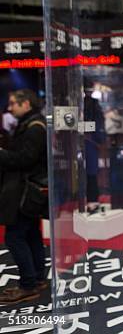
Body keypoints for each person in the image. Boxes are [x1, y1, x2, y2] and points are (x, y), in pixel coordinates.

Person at [0, 89, 48, 305]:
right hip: (29, 190)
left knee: (15, 236)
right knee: (30, 235)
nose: (10, 108)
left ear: (26, 104)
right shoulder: (32, 125)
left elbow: (26, 159)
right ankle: (37, 279)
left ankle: (28, 285)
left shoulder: (34, 128)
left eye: (13, 103)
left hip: (26, 191)